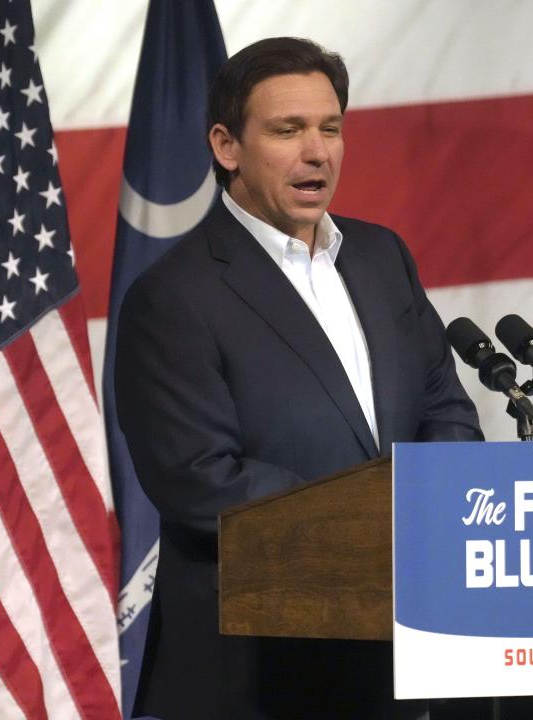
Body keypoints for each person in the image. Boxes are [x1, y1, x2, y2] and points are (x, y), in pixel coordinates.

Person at [115, 37, 483, 719]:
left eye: (330, 128)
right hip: (257, 670)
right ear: (227, 147)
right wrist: (376, 523)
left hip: (393, 657)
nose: (318, 151)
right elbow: (200, 477)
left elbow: (444, 406)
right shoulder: (173, 297)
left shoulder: (381, 255)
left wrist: (432, 506)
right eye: (289, 131)